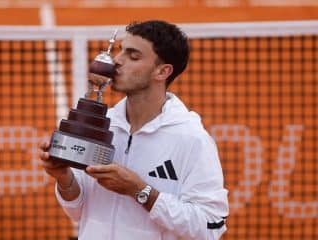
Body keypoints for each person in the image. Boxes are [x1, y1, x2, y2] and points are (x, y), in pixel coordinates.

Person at [40, 20, 229, 239]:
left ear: (162, 71)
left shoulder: (192, 139)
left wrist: (140, 191)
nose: (117, 61)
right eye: (121, 51)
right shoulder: (102, 123)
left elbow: (210, 226)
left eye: (133, 56)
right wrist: (64, 178)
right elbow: (79, 211)